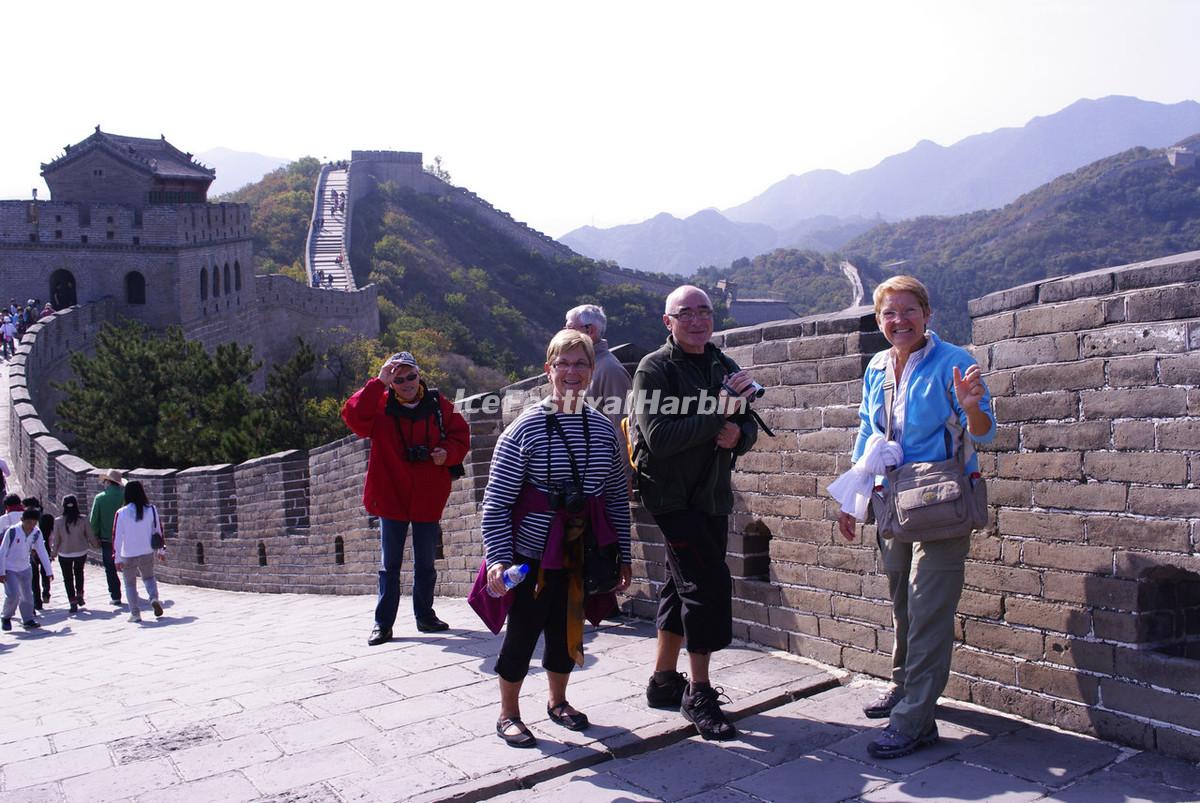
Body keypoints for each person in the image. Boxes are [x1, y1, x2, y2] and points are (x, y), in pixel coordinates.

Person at [837, 275, 995, 760]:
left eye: (908, 311)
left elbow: (985, 433)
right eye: (888, 313)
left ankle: (916, 722)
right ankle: (906, 688)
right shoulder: (878, 366)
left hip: (942, 502)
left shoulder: (955, 362)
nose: (898, 321)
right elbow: (868, 431)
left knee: (929, 609)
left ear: (928, 315)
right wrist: (852, 497)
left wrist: (971, 409)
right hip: (891, 500)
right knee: (904, 603)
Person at [480, 329, 632, 748]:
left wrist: (623, 555)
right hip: (529, 556)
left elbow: (616, 496)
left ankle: (558, 701)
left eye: (580, 363)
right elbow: (496, 504)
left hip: (579, 552)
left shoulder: (604, 431)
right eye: (562, 363)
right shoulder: (522, 431)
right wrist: (497, 559)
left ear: (591, 371)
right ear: (548, 371)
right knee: (523, 634)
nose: (571, 371)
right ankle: (508, 713)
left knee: (568, 633)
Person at [630, 285, 759, 741]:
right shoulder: (654, 369)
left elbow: (745, 424)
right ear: (668, 322)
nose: (698, 320)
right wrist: (716, 418)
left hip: (711, 493)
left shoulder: (722, 363)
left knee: (677, 585)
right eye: (686, 314)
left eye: (705, 311)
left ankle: (664, 681)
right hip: (670, 496)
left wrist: (738, 437)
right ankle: (699, 693)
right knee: (705, 585)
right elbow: (660, 437)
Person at [341, 351, 470, 645]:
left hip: (428, 493)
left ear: (419, 374)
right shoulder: (380, 406)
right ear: (391, 382)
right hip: (391, 494)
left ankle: (425, 616)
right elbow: (353, 417)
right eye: (398, 379)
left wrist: (445, 454)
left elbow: (461, 435)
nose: (407, 383)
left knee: (426, 561)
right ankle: (382, 624)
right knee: (390, 565)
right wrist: (377, 382)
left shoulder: (438, 405)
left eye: (411, 376)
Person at [564, 303, 632, 436]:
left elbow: (623, 427)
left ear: (590, 330)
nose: (565, 334)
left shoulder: (610, 370)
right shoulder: (581, 365)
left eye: (570, 328)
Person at [112, 481, 166, 623]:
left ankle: (135, 614)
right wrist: (161, 550)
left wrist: (116, 558)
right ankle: (154, 598)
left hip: (128, 553)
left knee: (130, 584)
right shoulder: (151, 509)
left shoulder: (121, 513)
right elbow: (158, 530)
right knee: (148, 578)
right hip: (146, 550)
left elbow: (116, 536)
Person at [1, 509, 53, 631]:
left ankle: (28, 619)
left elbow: (42, 551)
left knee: (27, 595)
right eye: (29, 522)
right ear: (22, 520)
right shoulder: (12, 531)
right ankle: (6, 617)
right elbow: (2, 552)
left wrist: (48, 571)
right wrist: (1, 571)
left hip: (25, 567)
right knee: (13, 594)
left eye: (34, 523)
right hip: (10, 568)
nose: (31, 526)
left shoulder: (36, 533)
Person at [52, 495, 97, 613]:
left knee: (67, 578)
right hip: (80, 551)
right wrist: (96, 545)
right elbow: (90, 535)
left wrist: (53, 553)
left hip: (64, 553)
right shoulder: (83, 519)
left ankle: (72, 601)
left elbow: (56, 540)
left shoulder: (58, 521)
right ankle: (80, 594)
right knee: (79, 573)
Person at [90, 469, 126, 604]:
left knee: (110, 569)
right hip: (125, 539)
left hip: (107, 539)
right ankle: (131, 591)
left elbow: (94, 520)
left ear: (108, 482)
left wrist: (95, 537)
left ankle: (116, 596)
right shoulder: (125, 496)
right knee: (129, 567)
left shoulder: (100, 498)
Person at [22, 496, 52, 609]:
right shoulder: (47, 517)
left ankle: (37, 602)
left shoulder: (27, 519)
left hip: (31, 552)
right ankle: (46, 592)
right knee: (45, 572)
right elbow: (51, 536)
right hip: (45, 548)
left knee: (34, 578)